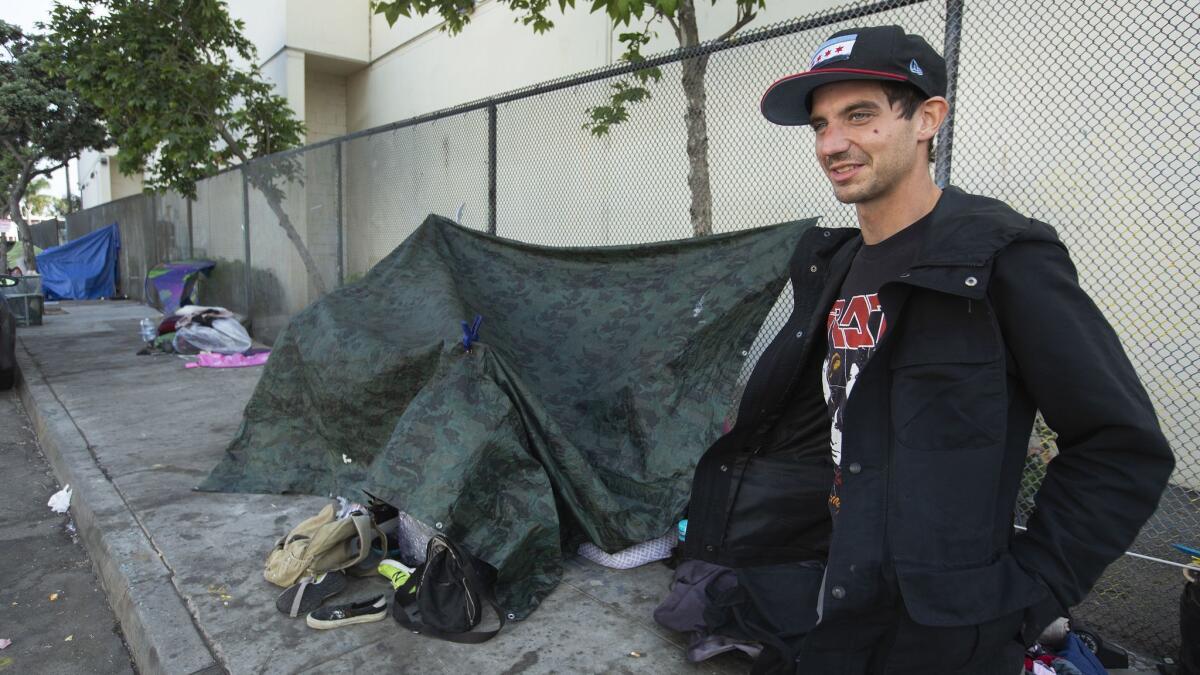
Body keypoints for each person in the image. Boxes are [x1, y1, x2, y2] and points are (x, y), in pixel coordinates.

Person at [680, 25, 1174, 673]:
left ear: (927, 119)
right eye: (821, 124)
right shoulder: (835, 265)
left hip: (944, 630)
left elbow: (1121, 445)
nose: (833, 143)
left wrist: (1026, 591)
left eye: (860, 116)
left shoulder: (1000, 258)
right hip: (833, 590)